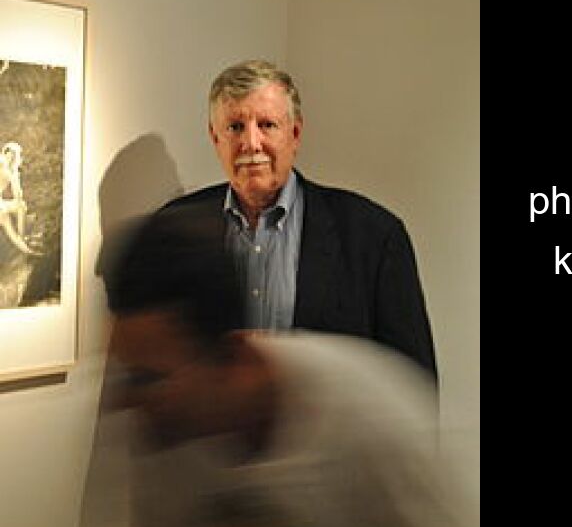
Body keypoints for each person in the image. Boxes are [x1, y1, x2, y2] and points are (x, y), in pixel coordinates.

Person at [101, 207, 470, 527]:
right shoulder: (164, 434)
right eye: (127, 375)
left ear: (231, 354)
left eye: (148, 379)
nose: (128, 402)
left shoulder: (375, 419)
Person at [158, 60, 436, 376]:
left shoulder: (373, 236)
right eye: (235, 127)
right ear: (214, 137)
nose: (251, 143)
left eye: (267, 125)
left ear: (295, 133)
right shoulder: (173, 228)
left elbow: (414, 383)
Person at [1, 141, 38, 255]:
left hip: (1, 203)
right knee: (20, 207)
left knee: (9, 226)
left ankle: (26, 248)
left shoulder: (12, 170)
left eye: (13, 156)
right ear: (5, 153)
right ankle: (23, 240)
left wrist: (15, 175)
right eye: (8, 153)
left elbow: (18, 194)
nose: (10, 157)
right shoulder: (1, 162)